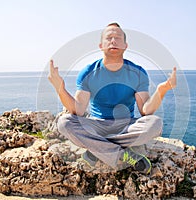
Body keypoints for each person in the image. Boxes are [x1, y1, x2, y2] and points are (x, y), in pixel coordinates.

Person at [48, 22, 176, 174]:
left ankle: (97, 150)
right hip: (97, 125)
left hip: (126, 125)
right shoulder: (88, 72)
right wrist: (60, 89)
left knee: (155, 123)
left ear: (125, 45)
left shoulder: (138, 72)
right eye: (109, 38)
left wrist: (162, 90)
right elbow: (78, 110)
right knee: (64, 123)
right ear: (101, 45)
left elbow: (145, 111)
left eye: (118, 38)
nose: (113, 41)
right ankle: (124, 156)